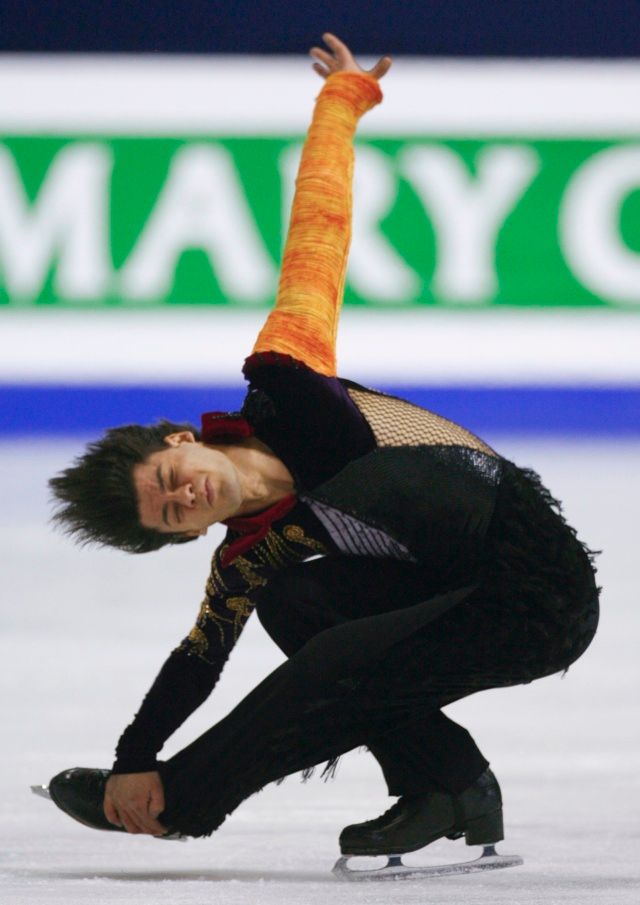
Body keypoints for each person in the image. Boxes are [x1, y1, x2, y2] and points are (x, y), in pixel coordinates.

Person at [48, 34, 599, 862]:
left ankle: (184, 802)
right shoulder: (244, 555)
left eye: (169, 478)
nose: (185, 496)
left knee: (342, 624)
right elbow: (195, 661)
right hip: (458, 602)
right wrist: (132, 754)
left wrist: (341, 99)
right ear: (181, 536)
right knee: (294, 605)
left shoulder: (287, 380)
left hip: (534, 576)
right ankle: (448, 784)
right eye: (168, 517)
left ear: (180, 438)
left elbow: (320, 231)